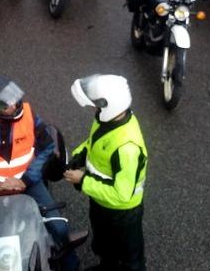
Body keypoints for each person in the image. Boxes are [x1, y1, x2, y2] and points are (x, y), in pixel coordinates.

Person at [0, 75, 79, 269]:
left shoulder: (28, 115)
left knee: (60, 229)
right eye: (6, 104)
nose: (14, 105)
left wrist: (27, 179)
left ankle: (72, 266)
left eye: (13, 99)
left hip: (28, 181)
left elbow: (46, 148)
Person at [64, 74, 147, 271]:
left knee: (128, 258)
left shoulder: (127, 148)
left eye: (96, 105)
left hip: (122, 213)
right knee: (105, 244)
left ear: (109, 106)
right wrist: (80, 155)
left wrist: (83, 180)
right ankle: (107, 265)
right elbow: (95, 143)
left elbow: (121, 194)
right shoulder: (106, 119)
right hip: (101, 200)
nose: (93, 108)